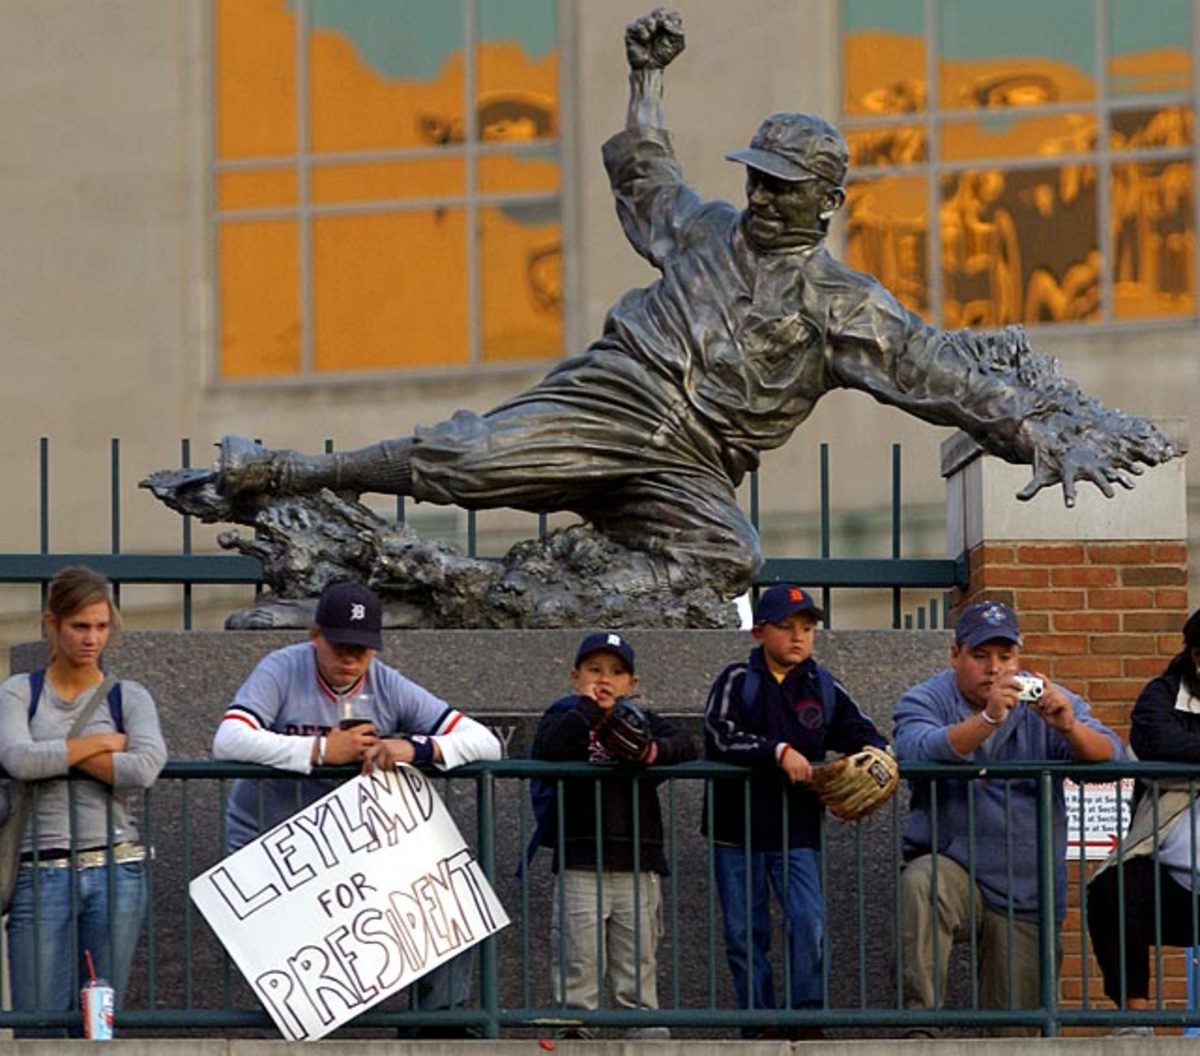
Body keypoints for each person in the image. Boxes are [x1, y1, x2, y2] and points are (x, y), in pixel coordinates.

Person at [178, 9, 1171, 602]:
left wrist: (1043, 432)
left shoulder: (845, 305)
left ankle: (557, 580)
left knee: (727, 560)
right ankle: (291, 470)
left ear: (826, 200)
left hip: (691, 458)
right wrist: (644, 78)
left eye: (784, 182)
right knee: (470, 457)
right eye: (759, 174)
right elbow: (645, 172)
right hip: (619, 394)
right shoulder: (700, 228)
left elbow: (942, 381)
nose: (762, 191)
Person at [211, 579, 501, 1035]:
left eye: (362, 649)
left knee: (446, 894)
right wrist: (323, 752)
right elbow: (227, 739)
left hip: (349, 849)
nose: (350, 658)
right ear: (315, 635)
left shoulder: (387, 683)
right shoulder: (282, 668)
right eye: (340, 644)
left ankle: (437, 1024)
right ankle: (291, 1034)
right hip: (271, 848)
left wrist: (413, 748)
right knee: (297, 983)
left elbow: (484, 742)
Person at [893, 599, 1123, 1034]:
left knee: (1018, 1035)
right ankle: (920, 1025)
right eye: (980, 656)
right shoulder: (926, 696)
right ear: (955, 655)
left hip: (1026, 888)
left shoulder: (1045, 697)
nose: (994, 669)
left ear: (1020, 657)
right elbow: (915, 748)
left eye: (1006, 657)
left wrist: (1068, 727)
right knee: (923, 882)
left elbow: (1114, 758)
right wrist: (989, 719)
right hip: (957, 868)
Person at [702, 584, 890, 1036]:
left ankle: (805, 1020)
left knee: (810, 925)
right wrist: (778, 751)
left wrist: (878, 760)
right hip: (736, 831)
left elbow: (865, 734)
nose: (798, 637)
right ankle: (758, 1025)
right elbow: (718, 734)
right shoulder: (736, 680)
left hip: (797, 831)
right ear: (759, 633)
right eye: (786, 627)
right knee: (745, 937)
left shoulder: (823, 686)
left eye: (807, 628)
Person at [0, 566, 167, 1037]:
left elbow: (146, 766)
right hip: (39, 870)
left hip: (117, 868)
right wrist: (100, 745)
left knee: (99, 1025)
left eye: (101, 626)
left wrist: (55, 755)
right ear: (51, 624)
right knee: (38, 1023)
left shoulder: (127, 695)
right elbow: (17, 759)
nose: (91, 638)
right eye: (79, 626)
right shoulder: (20, 692)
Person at [530, 631, 696, 1039]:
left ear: (631, 684)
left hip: (638, 860)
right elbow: (548, 747)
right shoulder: (565, 714)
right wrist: (587, 711)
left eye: (617, 672)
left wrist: (650, 752)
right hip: (580, 857)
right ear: (575, 676)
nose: (605, 679)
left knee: (636, 959)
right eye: (594, 670)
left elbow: (688, 744)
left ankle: (642, 1028)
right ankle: (574, 1027)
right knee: (577, 956)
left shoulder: (641, 719)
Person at [1087, 608, 1200, 1036]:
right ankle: (1135, 1018)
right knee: (1111, 889)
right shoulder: (1162, 695)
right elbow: (1155, 739)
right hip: (1172, 881)